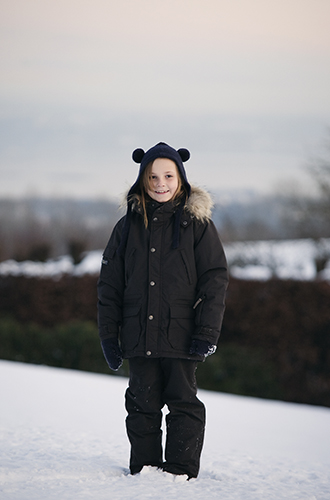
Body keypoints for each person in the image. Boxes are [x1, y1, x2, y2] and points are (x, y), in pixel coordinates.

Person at [97, 142, 228, 480]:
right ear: (142, 178)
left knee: (183, 402)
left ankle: (180, 473)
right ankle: (144, 471)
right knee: (141, 405)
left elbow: (214, 281)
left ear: (180, 179)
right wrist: (109, 336)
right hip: (138, 334)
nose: (160, 183)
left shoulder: (197, 225)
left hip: (181, 335)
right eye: (152, 176)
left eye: (168, 175)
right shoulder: (126, 228)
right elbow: (109, 286)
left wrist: (206, 332)